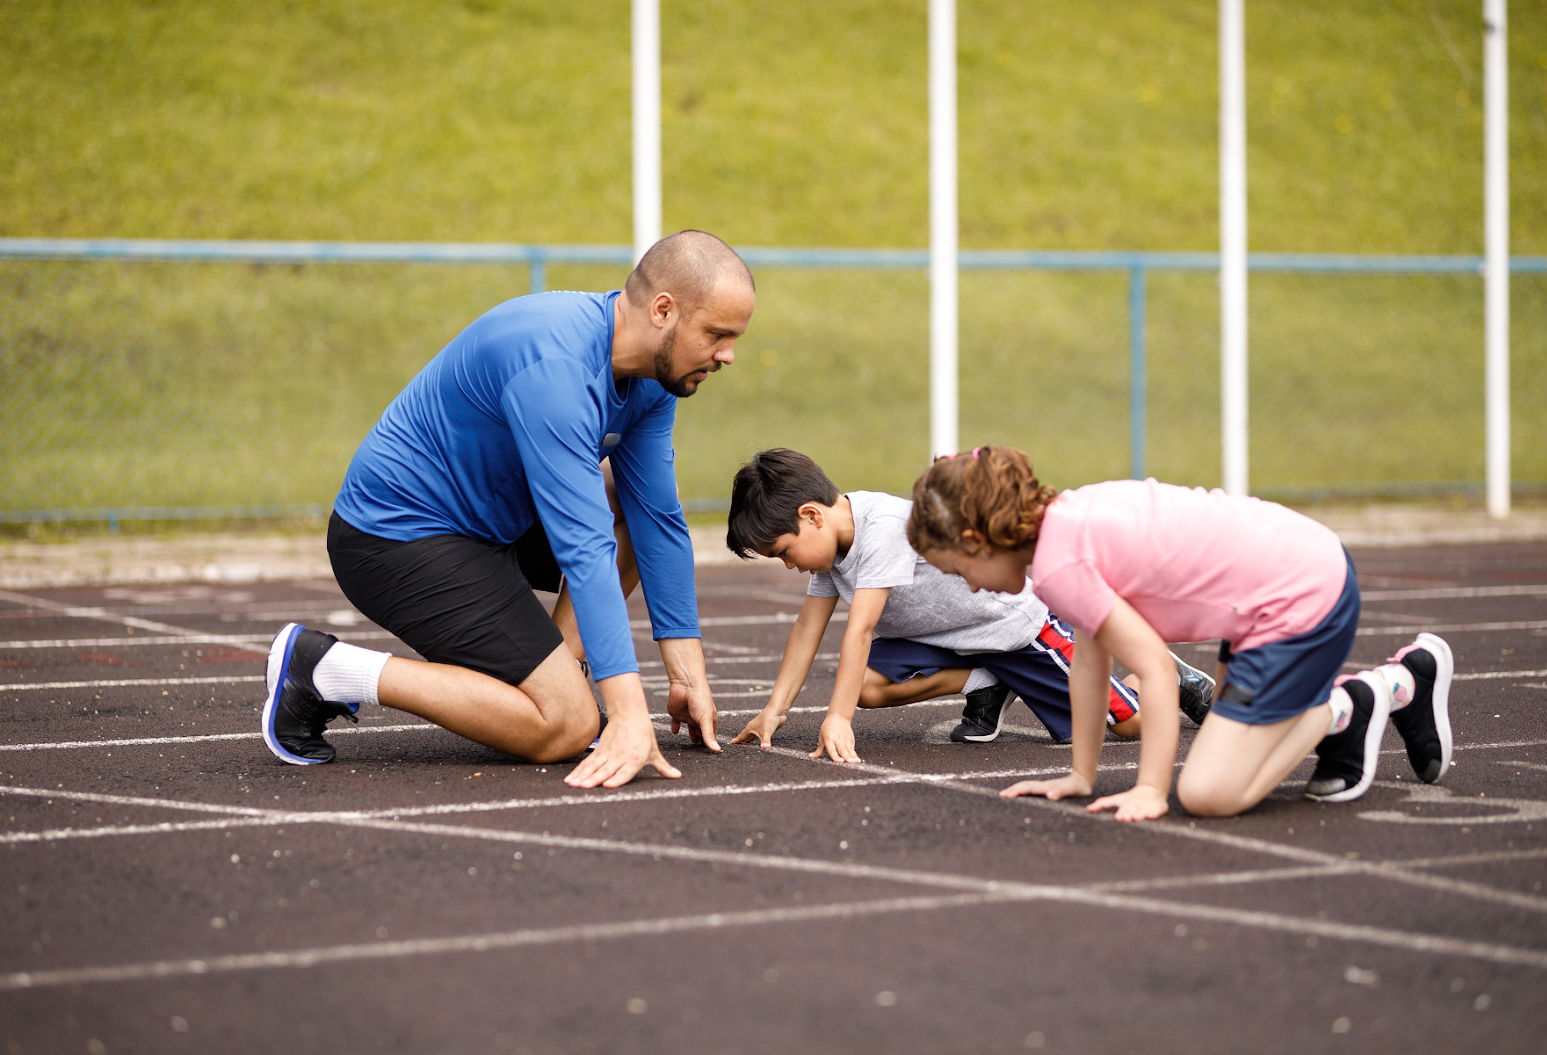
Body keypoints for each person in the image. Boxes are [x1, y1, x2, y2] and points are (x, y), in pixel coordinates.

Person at [261, 231, 756, 789]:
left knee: (628, 507)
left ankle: (562, 677)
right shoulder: (555, 364)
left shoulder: (653, 381)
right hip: (394, 537)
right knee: (567, 727)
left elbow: (656, 519)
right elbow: (583, 542)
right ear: (663, 310)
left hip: (492, 529)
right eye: (717, 334)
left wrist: (688, 675)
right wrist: (627, 712)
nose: (728, 355)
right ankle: (323, 668)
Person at [904, 447, 1454, 822]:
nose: (971, 591)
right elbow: (1091, 667)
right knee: (1226, 738)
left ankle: (1369, 696)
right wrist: (1081, 775)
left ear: (977, 540)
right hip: (1287, 576)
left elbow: (1155, 667)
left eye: (958, 572)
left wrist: (1149, 788)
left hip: (1299, 598)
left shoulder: (1058, 566)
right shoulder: (1066, 521)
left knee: (1206, 793)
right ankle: (1354, 705)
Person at [722, 449, 1215, 762]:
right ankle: (991, 683)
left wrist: (838, 720)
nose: (788, 565)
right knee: (865, 687)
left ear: (811, 516)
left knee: (1131, 726)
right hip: (950, 640)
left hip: (1014, 629)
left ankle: (1167, 677)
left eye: (784, 551)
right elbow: (807, 629)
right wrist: (774, 711)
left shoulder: (882, 528)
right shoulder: (830, 550)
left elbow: (861, 630)